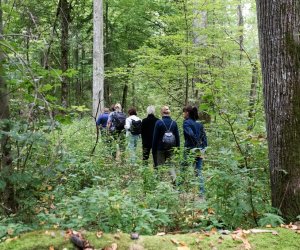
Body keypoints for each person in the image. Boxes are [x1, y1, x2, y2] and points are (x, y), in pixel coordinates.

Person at [182, 105, 208, 197]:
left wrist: (196, 144)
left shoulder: (186, 123)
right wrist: (203, 149)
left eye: (184, 112)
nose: (183, 114)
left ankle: (180, 190)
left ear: (187, 113)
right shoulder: (199, 123)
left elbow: (191, 134)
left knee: (183, 168)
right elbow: (205, 138)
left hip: (189, 149)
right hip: (199, 149)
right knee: (198, 171)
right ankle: (201, 192)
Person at [152, 106, 180, 184]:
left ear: (161, 113)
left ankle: (159, 185)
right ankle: (175, 183)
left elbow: (155, 138)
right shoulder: (174, 123)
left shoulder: (159, 122)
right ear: (169, 113)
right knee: (171, 166)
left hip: (160, 149)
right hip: (171, 148)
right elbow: (177, 137)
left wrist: (154, 150)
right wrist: (177, 149)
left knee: (160, 167)